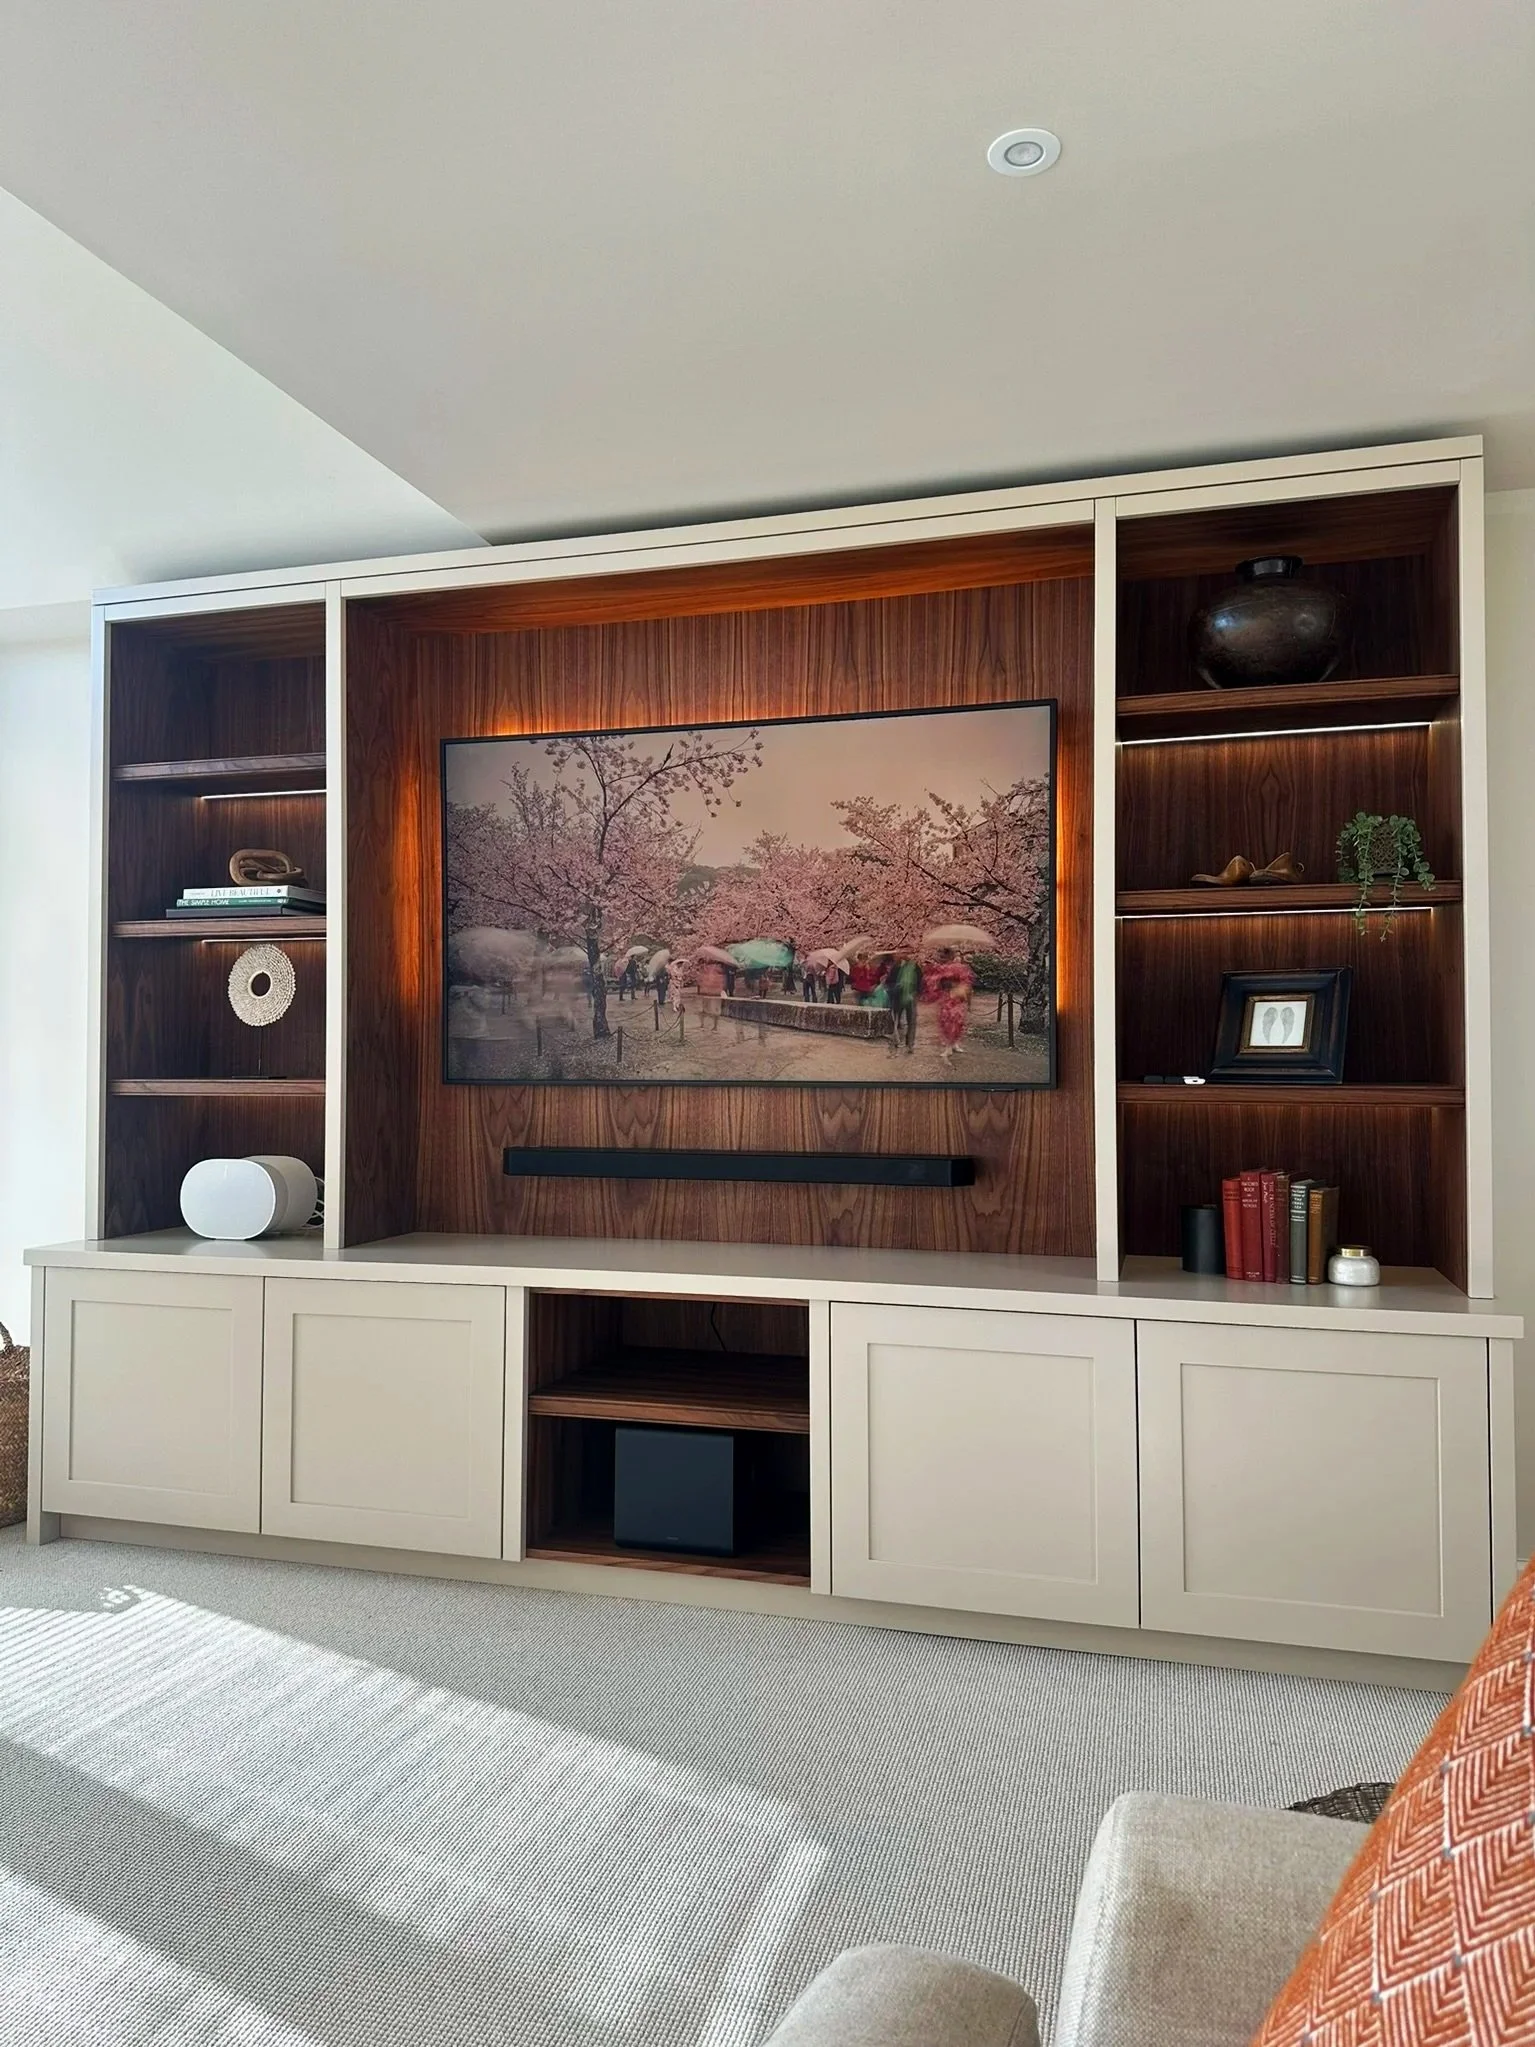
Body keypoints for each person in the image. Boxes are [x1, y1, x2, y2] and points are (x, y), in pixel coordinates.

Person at [923, 950, 975, 1062]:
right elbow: (934, 980)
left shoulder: (962, 969)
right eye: (955, 956)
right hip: (947, 997)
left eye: (958, 957)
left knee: (958, 1021)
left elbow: (967, 982)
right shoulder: (943, 968)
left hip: (957, 998)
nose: (957, 959)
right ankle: (948, 1046)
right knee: (946, 1021)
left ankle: (954, 1043)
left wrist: (961, 988)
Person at [887, 954, 920, 1052]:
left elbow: (920, 982)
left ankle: (910, 1044)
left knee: (911, 1021)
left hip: (911, 997)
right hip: (898, 997)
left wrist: (915, 992)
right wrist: (896, 986)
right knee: (896, 1020)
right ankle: (897, 1040)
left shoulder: (915, 967)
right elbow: (889, 982)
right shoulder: (896, 968)